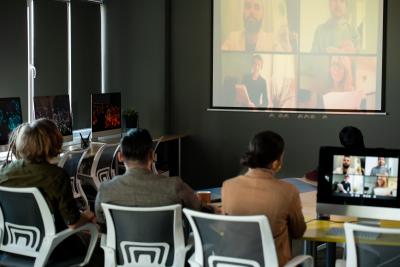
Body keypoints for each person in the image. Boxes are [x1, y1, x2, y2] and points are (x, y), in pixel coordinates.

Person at [0, 118, 96, 259]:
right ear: (54, 142)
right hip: (53, 250)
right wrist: (87, 217)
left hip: (13, 248)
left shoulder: (4, 172)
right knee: (95, 242)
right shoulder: (57, 176)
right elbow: (73, 223)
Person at [222, 131, 306, 266]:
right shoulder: (288, 191)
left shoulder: (228, 186)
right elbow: (298, 232)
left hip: (233, 262)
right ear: (276, 163)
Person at [95, 128, 203, 231]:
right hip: (170, 249)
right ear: (152, 155)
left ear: (120, 156)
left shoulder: (105, 189)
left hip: (121, 249)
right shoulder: (174, 185)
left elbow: (102, 223)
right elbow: (199, 209)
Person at [221, 0, 291, 52]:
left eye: (257, 7)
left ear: (262, 14)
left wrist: (287, 46)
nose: (251, 11)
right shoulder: (232, 39)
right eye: (248, 6)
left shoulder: (272, 42)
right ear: (243, 11)